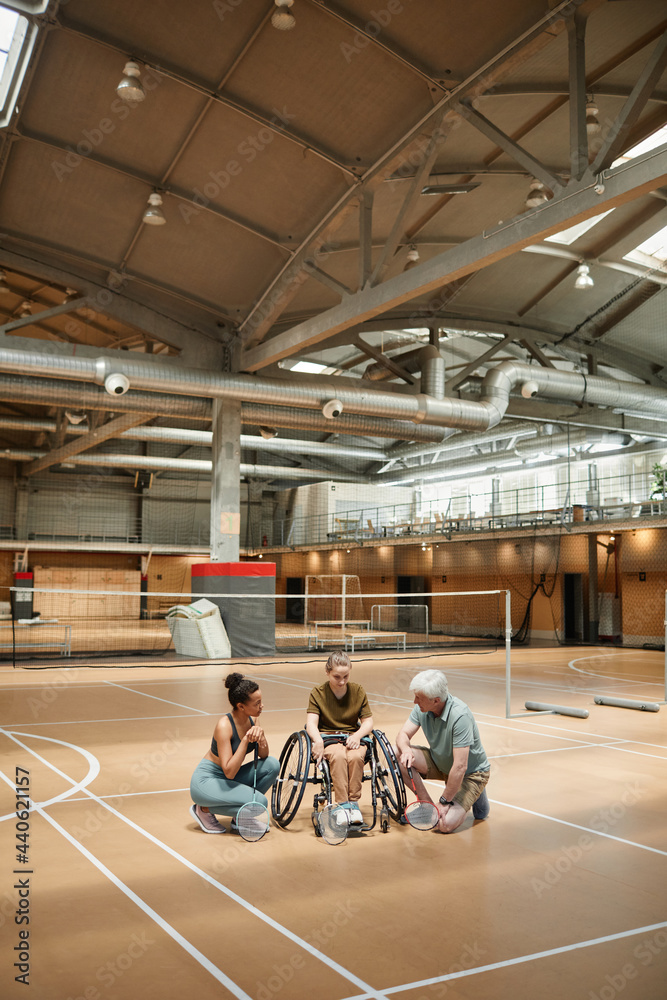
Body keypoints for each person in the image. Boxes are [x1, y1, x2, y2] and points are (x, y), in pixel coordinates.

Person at [395, 669, 490, 834]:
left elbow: (460, 766)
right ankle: (428, 807)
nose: (414, 701)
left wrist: (444, 802)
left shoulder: (460, 716)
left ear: (436, 700)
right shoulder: (422, 708)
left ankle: (477, 790)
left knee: (445, 824)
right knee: (396, 753)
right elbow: (403, 734)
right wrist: (405, 750)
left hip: (470, 773)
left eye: (419, 698)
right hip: (441, 762)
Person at [189, 672, 279, 834]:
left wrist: (261, 736)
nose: (262, 706)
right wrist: (245, 740)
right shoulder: (224, 726)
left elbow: (264, 755)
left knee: (272, 765)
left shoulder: (253, 718)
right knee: (259, 803)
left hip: (227, 778)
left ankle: (239, 818)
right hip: (207, 781)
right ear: (241, 706)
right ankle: (203, 809)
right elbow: (229, 772)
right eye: (257, 703)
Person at [306, 650, 374, 825]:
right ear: (327, 672)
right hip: (328, 737)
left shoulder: (358, 691)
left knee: (356, 756)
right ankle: (343, 805)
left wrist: (358, 735)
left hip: (352, 736)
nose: (342, 681)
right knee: (338, 756)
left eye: (346, 676)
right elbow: (311, 724)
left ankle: (354, 804)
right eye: (337, 677)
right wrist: (318, 741)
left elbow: (368, 722)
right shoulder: (318, 693)